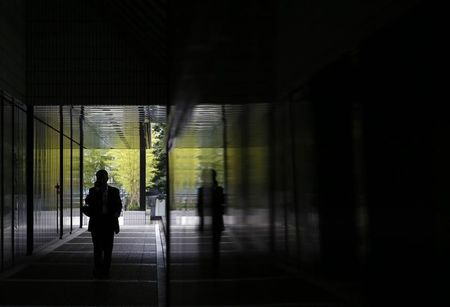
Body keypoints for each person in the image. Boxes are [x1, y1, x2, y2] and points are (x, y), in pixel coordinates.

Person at [83, 169, 122, 279]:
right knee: (97, 248)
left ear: (107, 178)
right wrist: (96, 190)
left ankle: (106, 269)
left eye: (103, 177)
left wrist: (116, 214)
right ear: (97, 178)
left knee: (108, 248)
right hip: (97, 223)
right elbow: (88, 202)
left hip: (109, 222)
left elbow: (119, 205)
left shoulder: (114, 191)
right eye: (99, 177)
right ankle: (97, 269)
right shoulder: (93, 190)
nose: (101, 179)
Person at [197, 169, 225, 273]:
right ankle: (215, 267)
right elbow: (222, 206)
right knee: (215, 246)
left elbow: (199, 208)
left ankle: (209, 267)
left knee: (207, 246)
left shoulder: (201, 190)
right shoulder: (219, 189)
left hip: (208, 223)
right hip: (217, 222)